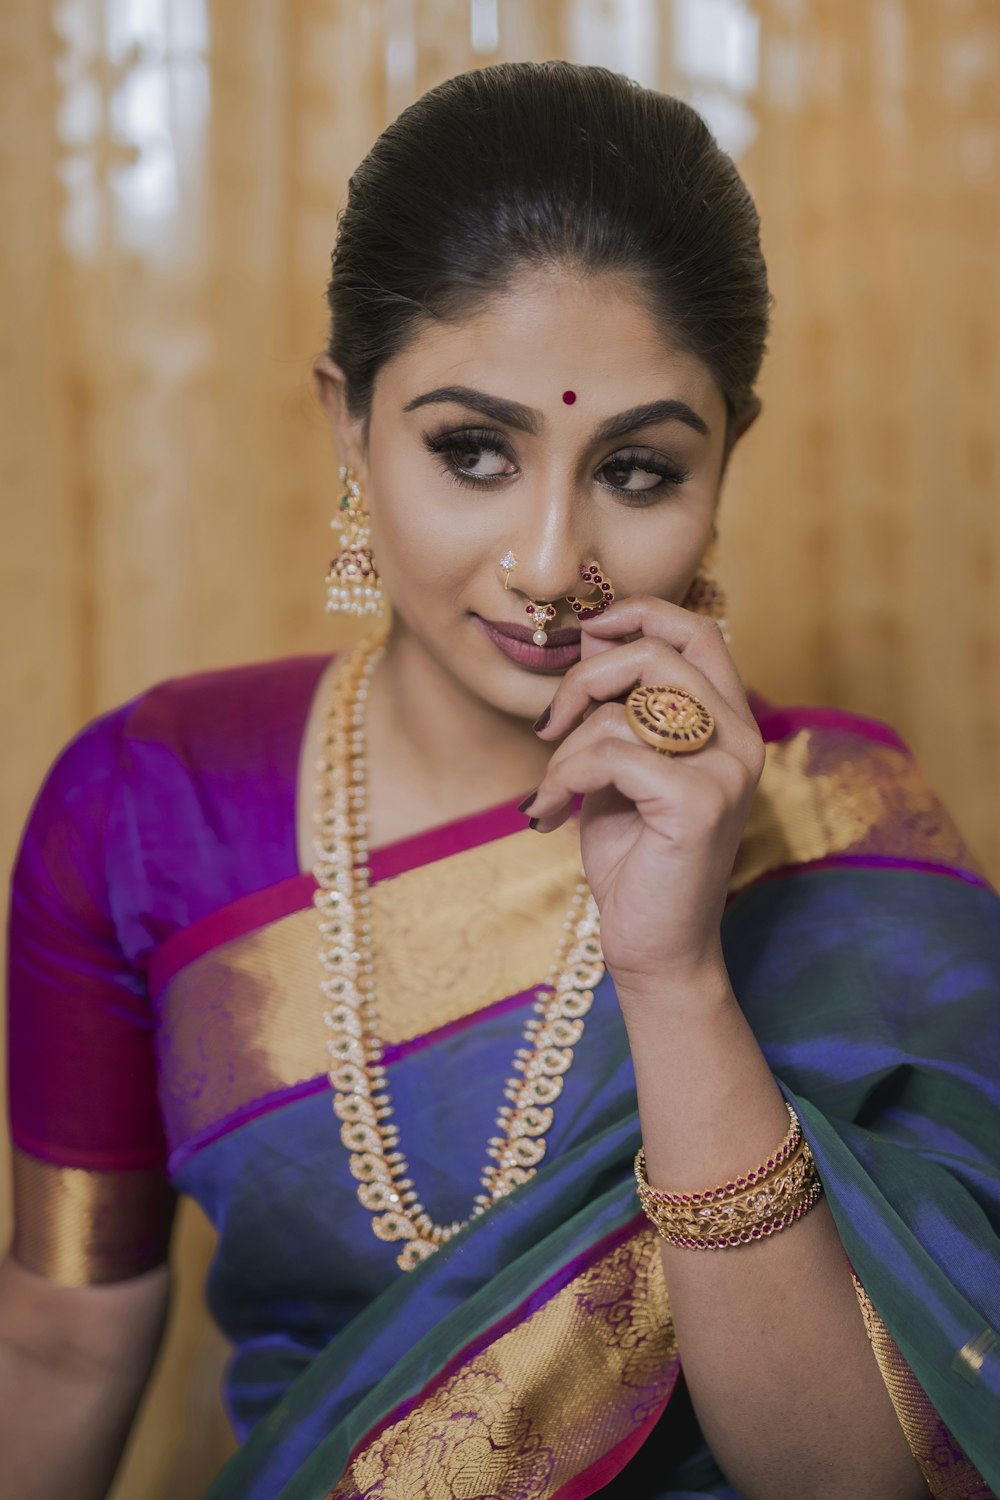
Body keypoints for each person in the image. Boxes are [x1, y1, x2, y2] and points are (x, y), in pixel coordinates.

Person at [2, 60, 998, 1500]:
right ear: (348, 425)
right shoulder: (148, 811)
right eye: (472, 451)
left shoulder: (838, 833)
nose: (547, 566)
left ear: (728, 461)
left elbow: (854, 1482)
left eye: (638, 471)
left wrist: (675, 975)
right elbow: (58, 1347)